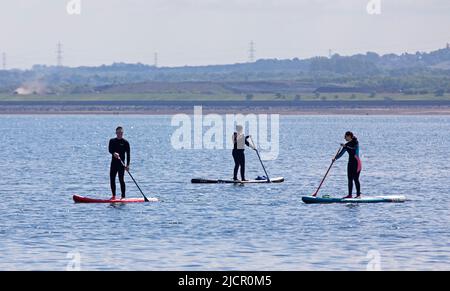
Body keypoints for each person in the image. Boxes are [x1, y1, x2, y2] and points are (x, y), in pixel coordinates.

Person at [334, 131, 362, 199]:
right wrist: (335, 158)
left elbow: (353, 149)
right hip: (350, 163)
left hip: (356, 163)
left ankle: (358, 195)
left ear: (349, 136)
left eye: (345, 136)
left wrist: (346, 146)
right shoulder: (346, 145)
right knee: (349, 179)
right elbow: (341, 154)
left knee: (356, 179)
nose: (344, 138)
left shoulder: (356, 142)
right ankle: (350, 195)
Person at [109, 126, 130, 199]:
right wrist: (114, 153)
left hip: (121, 164)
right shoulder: (112, 141)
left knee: (121, 179)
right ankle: (113, 196)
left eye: (121, 133)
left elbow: (128, 155)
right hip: (114, 164)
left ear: (122, 133)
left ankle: (123, 196)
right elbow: (110, 150)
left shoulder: (126, 142)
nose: (119, 134)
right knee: (112, 179)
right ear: (116, 133)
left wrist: (127, 165)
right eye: (118, 133)